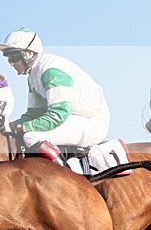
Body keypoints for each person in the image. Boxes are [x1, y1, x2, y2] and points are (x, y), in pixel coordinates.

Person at [0, 28, 110, 165]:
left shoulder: (51, 71)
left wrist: (19, 127)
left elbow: (57, 116)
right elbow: (34, 113)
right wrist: (11, 125)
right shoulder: (33, 76)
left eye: (14, 57)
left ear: (28, 54)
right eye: (8, 58)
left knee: (31, 137)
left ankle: (68, 180)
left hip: (91, 122)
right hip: (72, 119)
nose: (11, 63)